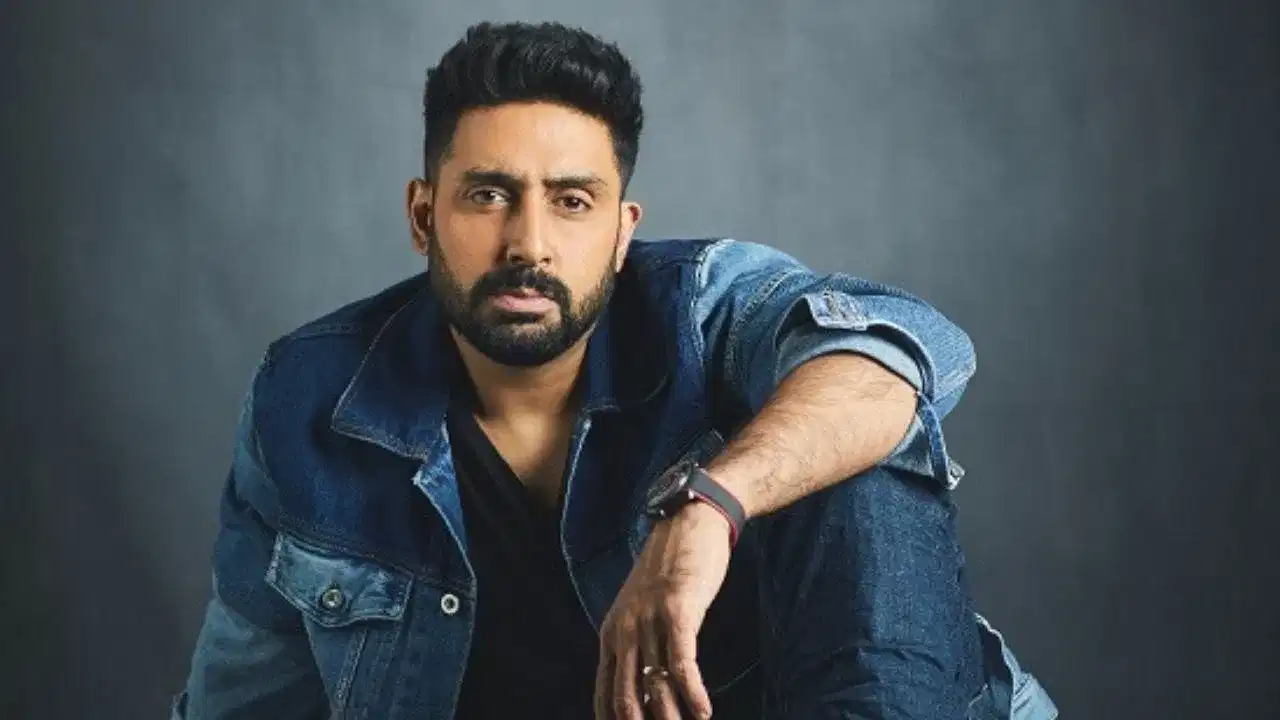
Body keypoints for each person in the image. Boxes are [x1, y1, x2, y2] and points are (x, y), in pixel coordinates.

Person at [173, 20, 1057, 720]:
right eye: (488, 195)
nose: (529, 244)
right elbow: (241, 701)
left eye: (572, 201)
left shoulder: (703, 309)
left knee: (847, 436)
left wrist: (710, 507)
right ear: (422, 214)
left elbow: (900, 353)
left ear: (623, 230)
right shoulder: (308, 403)